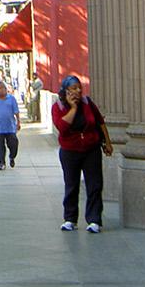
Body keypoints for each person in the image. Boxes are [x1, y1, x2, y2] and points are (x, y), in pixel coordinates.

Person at [53, 75, 111, 233]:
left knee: (94, 185)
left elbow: (99, 121)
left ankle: (94, 220)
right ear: (65, 91)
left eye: (79, 88)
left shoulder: (87, 103)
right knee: (72, 185)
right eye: (73, 88)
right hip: (70, 151)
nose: (78, 91)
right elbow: (62, 128)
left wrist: (108, 142)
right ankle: (70, 219)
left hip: (91, 149)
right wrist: (73, 108)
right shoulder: (58, 107)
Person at [0, 81, 21, 170]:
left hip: (10, 127)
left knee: (14, 144)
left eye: (0, 88)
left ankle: (12, 157)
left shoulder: (11, 99)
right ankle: (2, 163)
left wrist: (18, 122)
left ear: (5, 89)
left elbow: (16, 112)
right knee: (0, 146)